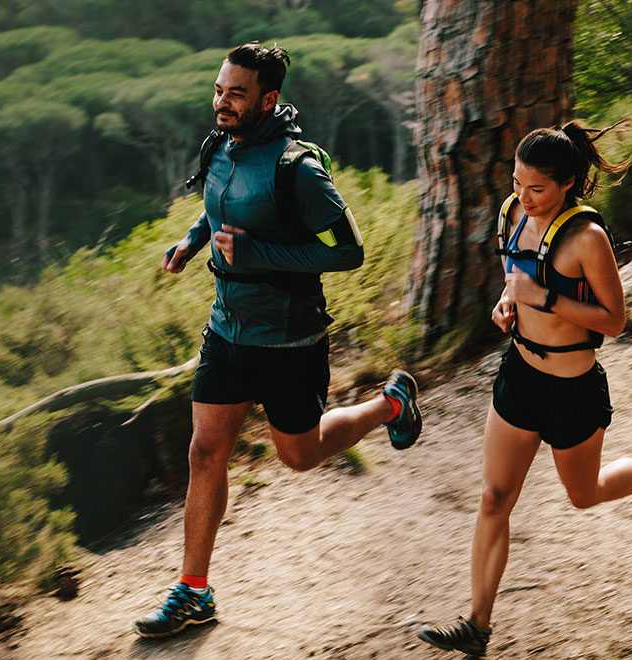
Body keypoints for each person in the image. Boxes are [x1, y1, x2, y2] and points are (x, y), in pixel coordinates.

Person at [134, 42, 424, 639]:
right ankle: (193, 591)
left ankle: (390, 403)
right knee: (204, 453)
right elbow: (219, 209)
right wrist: (192, 243)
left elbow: (348, 250)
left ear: (269, 99)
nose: (222, 102)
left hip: (291, 340)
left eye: (236, 94)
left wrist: (259, 252)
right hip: (227, 330)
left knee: (298, 454)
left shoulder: (299, 168)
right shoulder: (221, 146)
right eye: (219, 89)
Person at [416, 121, 632, 656]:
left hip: (572, 390)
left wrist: (542, 299)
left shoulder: (587, 238)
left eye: (536, 188)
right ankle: (477, 624)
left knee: (583, 495)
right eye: (518, 183)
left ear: (567, 184)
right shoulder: (513, 213)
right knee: (495, 498)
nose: (524, 197)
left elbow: (614, 319)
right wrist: (509, 302)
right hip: (519, 376)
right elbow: (519, 276)